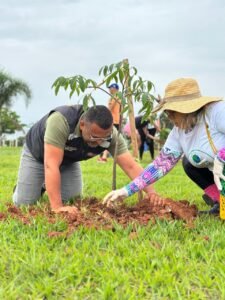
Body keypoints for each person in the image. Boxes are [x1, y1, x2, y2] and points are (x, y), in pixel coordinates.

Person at [103, 78, 225, 215]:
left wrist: (222, 156)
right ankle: (221, 201)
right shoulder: (178, 132)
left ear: (186, 109)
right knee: (189, 163)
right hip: (220, 175)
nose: (169, 117)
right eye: (167, 113)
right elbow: (160, 165)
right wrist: (126, 191)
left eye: (172, 112)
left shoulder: (216, 112)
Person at [13, 104, 159, 213]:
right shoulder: (61, 121)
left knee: (72, 198)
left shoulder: (112, 135)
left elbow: (131, 166)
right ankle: (26, 187)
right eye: (94, 137)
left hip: (68, 160)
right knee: (24, 204)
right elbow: (51, 164)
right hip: (38, 155)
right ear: (82, 125)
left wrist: (152, 193)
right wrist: (57, 208)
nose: (99, 142)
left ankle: (46, 185)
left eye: (104, 138)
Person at [98, 83, 121, 163]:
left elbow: (110, 109)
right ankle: (103, 156)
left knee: (108, 139)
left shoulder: (114, 97)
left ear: (114, 89)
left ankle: (104, 157)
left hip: (113, 121)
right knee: (110, 139)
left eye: (110, 88)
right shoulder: (120, 97)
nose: (109, 89)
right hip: (117, 121)